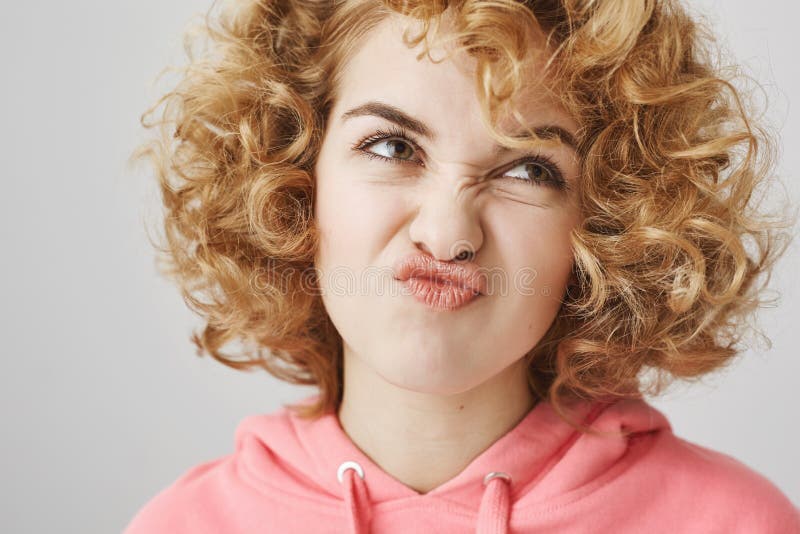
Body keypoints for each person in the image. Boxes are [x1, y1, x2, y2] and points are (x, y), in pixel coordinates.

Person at [124, 0, 800, 532]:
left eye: (529, 169)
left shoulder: (737, 524)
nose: (448, 235)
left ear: (605, 226)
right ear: (294, 178)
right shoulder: (180, 527)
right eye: (392, 147)